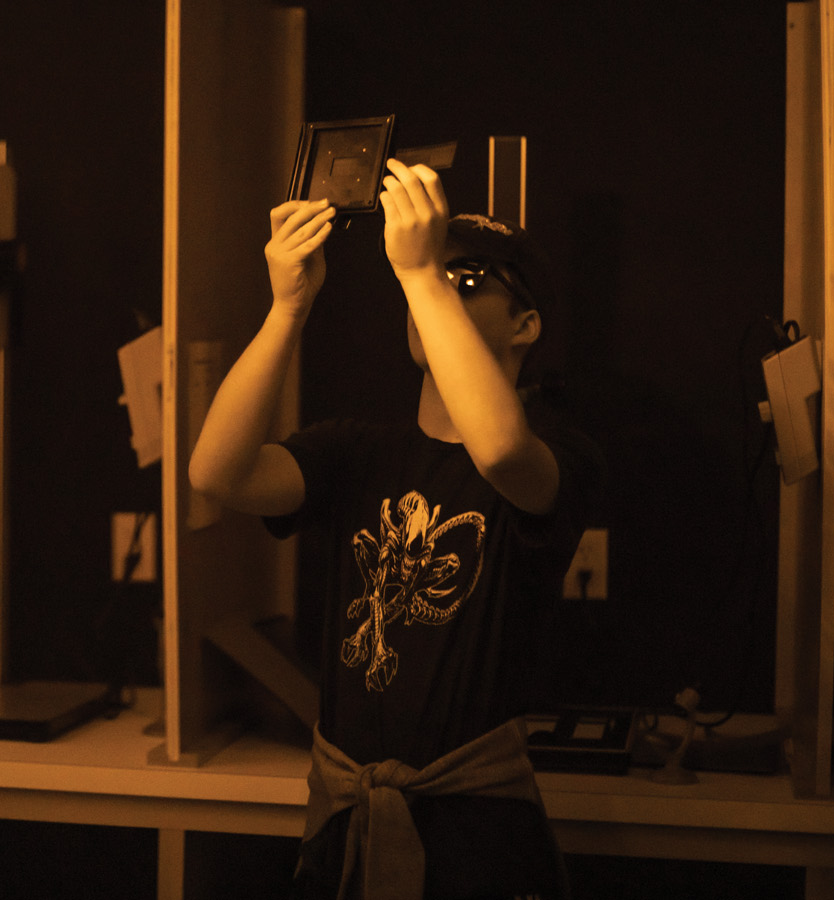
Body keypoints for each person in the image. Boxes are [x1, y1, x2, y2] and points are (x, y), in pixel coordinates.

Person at [189, 159, 603, 900]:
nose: (438, 288)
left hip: (477, 840)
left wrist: (420, 275)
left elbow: (502, 449)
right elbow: (216, 475)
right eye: (432, 277)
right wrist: (287, 309)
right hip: (347, 821)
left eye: (467, 280)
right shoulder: (358, 452)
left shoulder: (557, 452)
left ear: (526, 325)